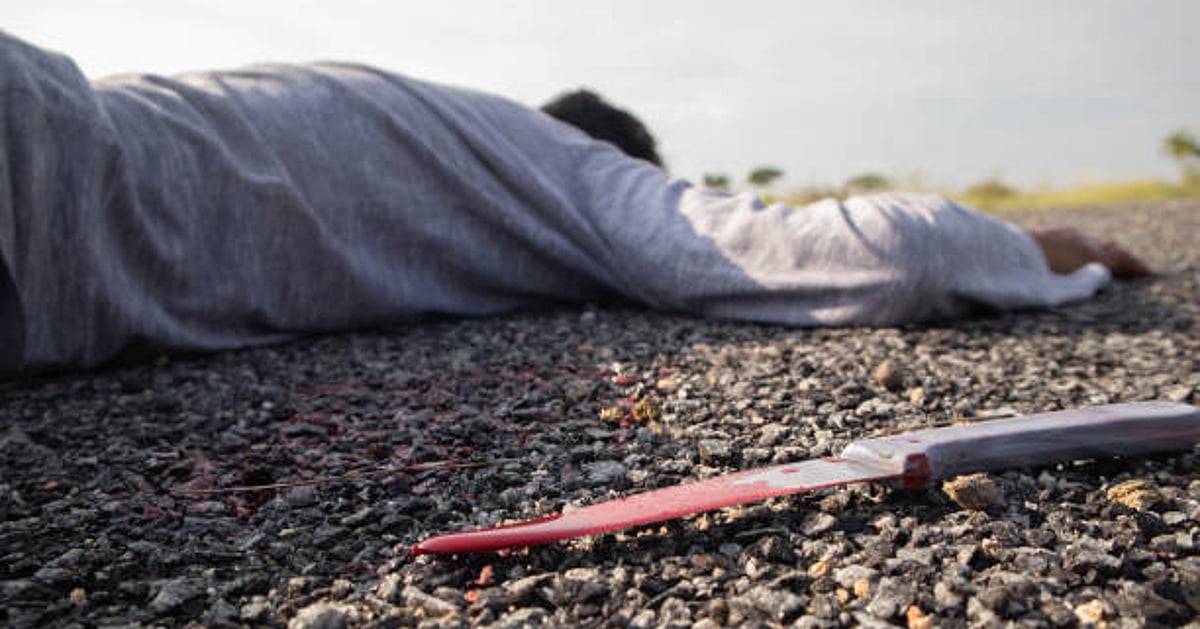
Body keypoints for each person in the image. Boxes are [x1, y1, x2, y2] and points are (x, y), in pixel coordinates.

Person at [0, 32, 1150, 376]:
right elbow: (883, 256)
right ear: (621, 158)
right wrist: (1038, 246)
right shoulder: (560, 163)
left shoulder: (414, 119)